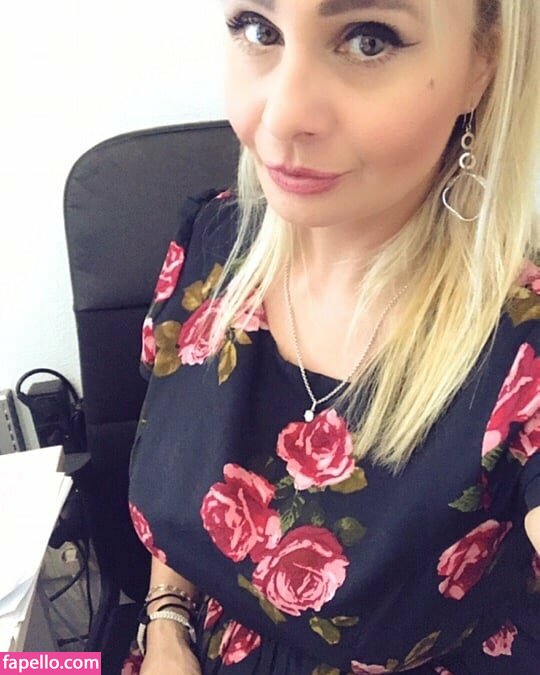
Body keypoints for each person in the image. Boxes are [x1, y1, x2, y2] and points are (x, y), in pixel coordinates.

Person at [124, 1, 540, 673]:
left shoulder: (523, 346)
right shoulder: (215, 246)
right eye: (258, 29)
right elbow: (179, 490)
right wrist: (166, 622)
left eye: (368, 40)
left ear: (482, 64)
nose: (282, 116)